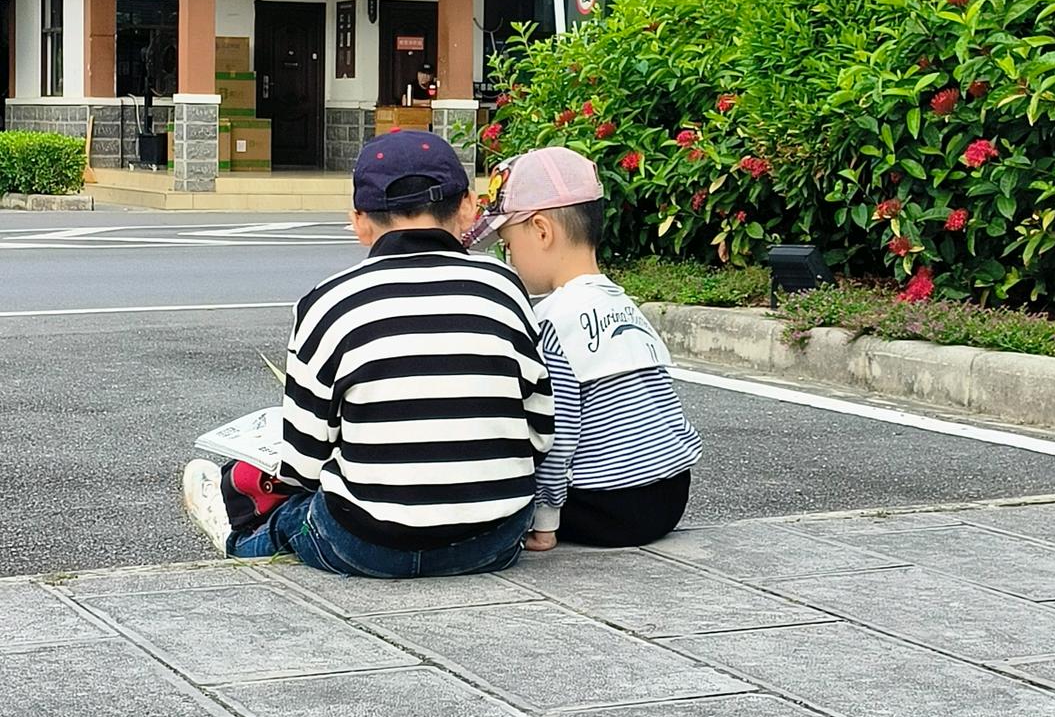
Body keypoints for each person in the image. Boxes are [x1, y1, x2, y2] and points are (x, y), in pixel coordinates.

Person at [183, 130, 555, 577]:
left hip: (367, 545)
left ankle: (238, 537)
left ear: (359, 222)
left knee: (296, 518)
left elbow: (304, 465)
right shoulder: (504, 288)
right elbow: (539, 432)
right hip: (492, 540)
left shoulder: (330, 301)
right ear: (469, 206)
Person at [464, 147, 702, 551]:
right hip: (671, 495)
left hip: (606, 509)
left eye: (508, 245)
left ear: (541, 230)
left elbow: (559, 435)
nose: (510, 259)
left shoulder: (554, 323)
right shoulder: (627, 307)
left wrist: (544, 520)